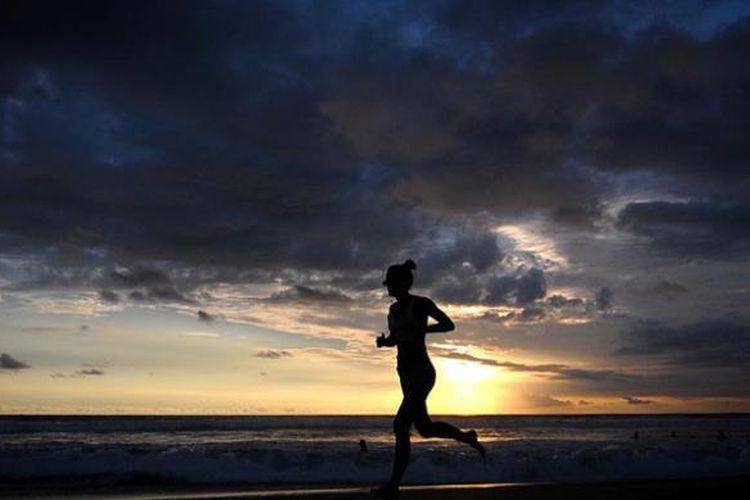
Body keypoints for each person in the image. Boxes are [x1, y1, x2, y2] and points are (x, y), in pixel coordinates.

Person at [371, 259, 485, 499]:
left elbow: (448, 324)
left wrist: (424, 330)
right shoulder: (392, 310)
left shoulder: (421, 304)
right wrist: (385, 343)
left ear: (403, 283)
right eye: (387, 284)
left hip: (422, 373)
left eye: (390, 284)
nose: (387, 288)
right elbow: (396, 337)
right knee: (424, 428)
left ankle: (393, 486)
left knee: (400, 424)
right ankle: (467, 436)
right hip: (404, 373)